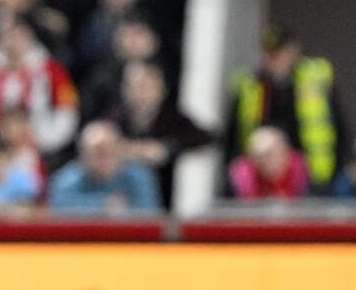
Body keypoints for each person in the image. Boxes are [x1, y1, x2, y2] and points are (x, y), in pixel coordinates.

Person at [226, 24, 345, 192]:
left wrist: (334, 174)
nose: (274, 61)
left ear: (293, 52)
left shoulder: (313, 81)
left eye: (279, 54)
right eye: (269, 54)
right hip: (261, 177)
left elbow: (338, 126)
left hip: (310, 175)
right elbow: (235, 135)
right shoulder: (251, 86)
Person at [0, 12, 78, 170]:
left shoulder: (52, 70)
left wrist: (43, 139)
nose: (13, 42)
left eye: (19, 35)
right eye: (8, 35)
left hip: (39, 148)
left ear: (30, 36)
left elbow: (68, 111)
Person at [103, 58, 212, 207]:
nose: (139, 92)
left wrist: (165, 149)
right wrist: (122, 148)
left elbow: (204, 137)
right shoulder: (114, 117)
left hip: (166, 190)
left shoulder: (173, 118)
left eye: (145, 86)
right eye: (133, 85)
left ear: (161, 88)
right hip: (120, 190)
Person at [48, 120, 161, 211]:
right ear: (82, 155)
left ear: (119, 150)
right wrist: (104, 204)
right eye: (96, 154)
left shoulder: (139, 176)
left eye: (107, 152)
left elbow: (148, 211)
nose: (103, 161)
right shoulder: (67, 178)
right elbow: (59, 206)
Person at [228, 125, 310, 201]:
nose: (264, 162)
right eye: (258, 156)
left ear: (284, 151)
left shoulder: (303, 172)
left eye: (270, 155)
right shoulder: (242, 178)